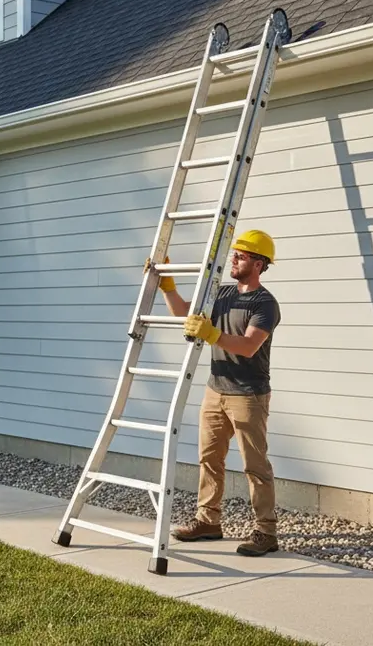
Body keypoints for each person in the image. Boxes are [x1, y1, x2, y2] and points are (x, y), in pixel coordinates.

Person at [157, 229, 282, 557]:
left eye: (241, 255)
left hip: (249, 395)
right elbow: (181, 311)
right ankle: (208, 521)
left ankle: (266, 532)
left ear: (258, 263)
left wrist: (212, 334)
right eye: (235, 253)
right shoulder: (223, 293)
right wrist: (167, 284)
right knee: (209, 458)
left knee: (255, 465)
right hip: (216, 390)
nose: (234, 259)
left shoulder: (265, 304)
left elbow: (249, 346)